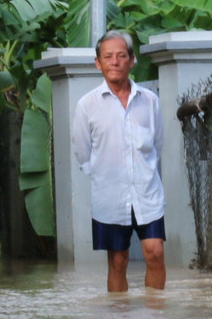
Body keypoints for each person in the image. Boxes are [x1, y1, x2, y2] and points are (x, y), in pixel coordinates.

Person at [70, 30, 166, 292]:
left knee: (155, 252)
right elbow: (82, 150)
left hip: (147, 192)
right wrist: (102, 175)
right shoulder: (87, 105)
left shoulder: (149, 101)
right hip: (110, 197)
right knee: (118, 260)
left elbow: (157, 144)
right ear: (98, 63)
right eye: (108, 57)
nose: (115, 62)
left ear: (132, 61)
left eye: (121, 56)